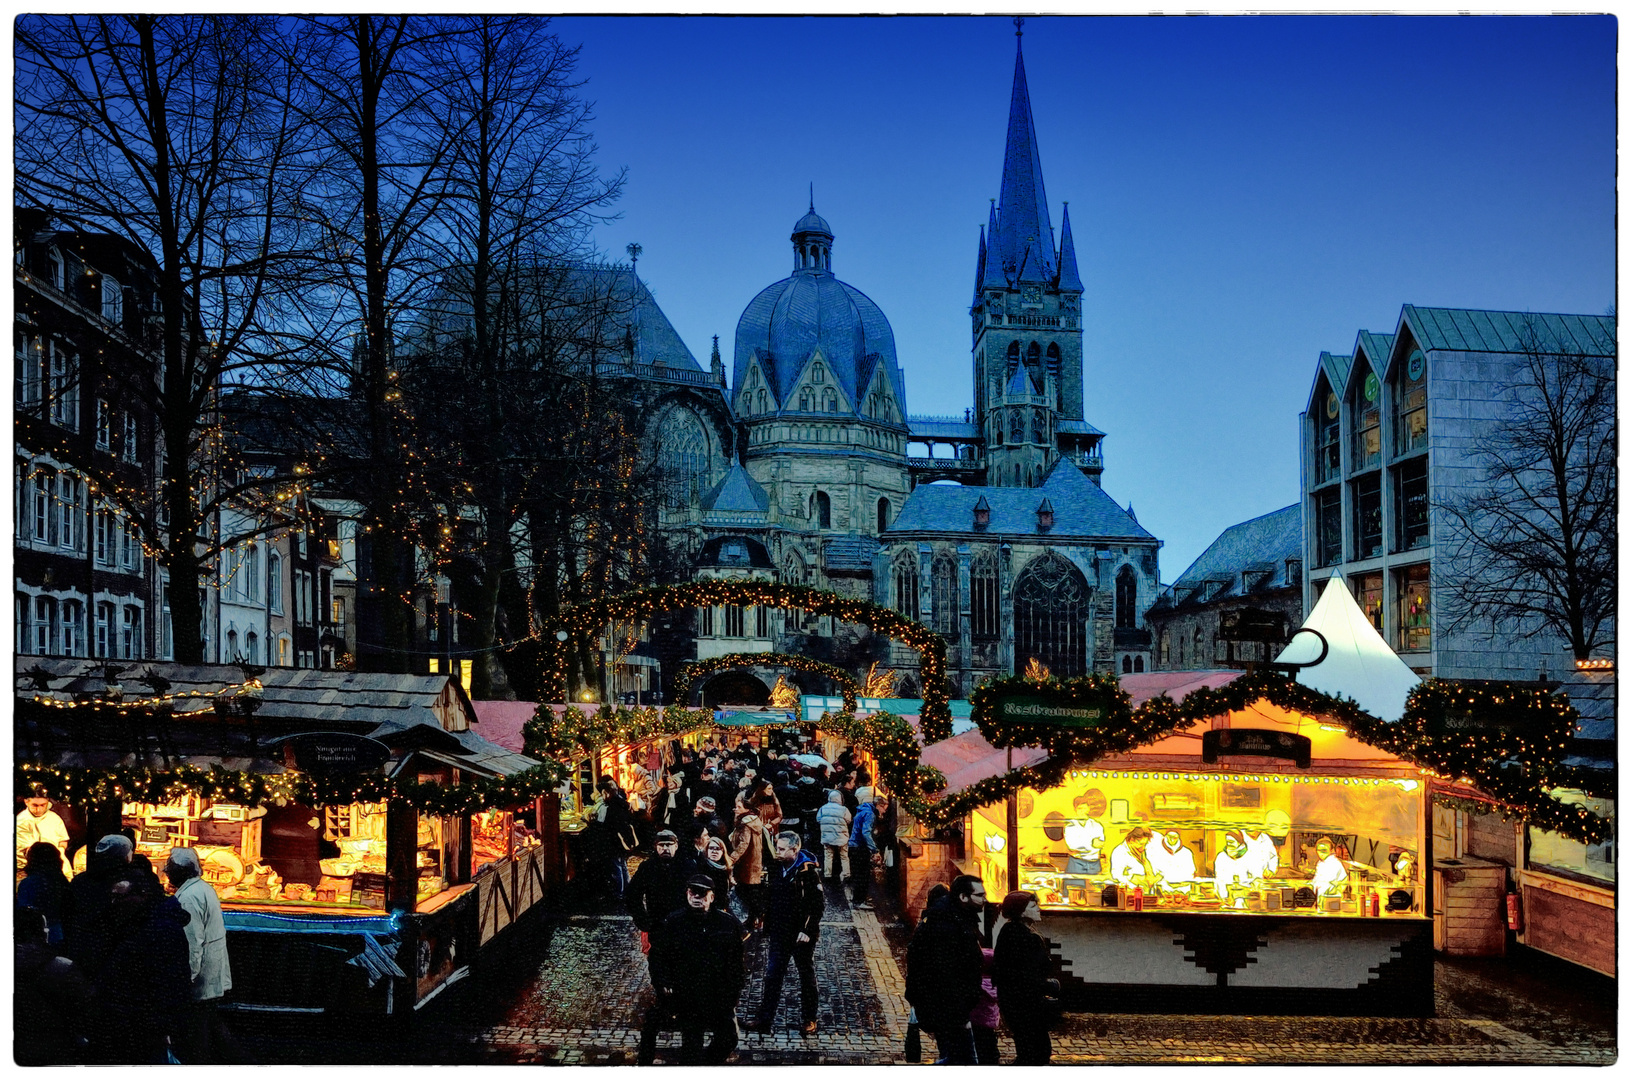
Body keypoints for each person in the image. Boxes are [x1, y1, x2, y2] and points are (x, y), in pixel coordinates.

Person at [643, 875, 745, 1064]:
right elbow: (658, 958)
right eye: (692, 893)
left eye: (702, 894)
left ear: (712, 897)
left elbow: (736, 963)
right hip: (687, 995)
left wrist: (733, 992)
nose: (697, 897)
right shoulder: (673, 922)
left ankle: (707, 1065)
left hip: (718, 994)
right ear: (687, 894)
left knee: (728, 1038)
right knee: (691, 1046)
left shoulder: (727, 923)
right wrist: (663, 984)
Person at [93, 874, 192, 1063]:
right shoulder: (133, 924)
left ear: (141, 896)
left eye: (119, 897)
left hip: (144, 1021)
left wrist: (164, 1024)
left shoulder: (157, 929)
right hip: (131, 1018)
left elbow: (171, 980)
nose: (114, 903)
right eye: (112, 897)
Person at [748, 831, 825, 1035]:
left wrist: (807, 930)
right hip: (780, 932)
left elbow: (817, 905)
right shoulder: (776, 866)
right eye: (777, 847)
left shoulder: (808, 872)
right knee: (773, 976)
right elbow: (770, 895)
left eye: (782, 849)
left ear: (795, 849)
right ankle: (764, 1019)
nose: (778, 852)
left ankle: (810, 1018)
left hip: (800, 935)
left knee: (806, 977)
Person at [904, 874, 986, 1065]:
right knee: (961, 1060)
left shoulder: (958, 918)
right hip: (950, 1011)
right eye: (980, 895)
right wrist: (961, 1014)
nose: (985, 899)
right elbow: (945, 974)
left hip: (952, 1009)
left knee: (958, 1058)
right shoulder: (945, 925)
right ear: (963, 897)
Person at [166, 847, 233, 1063]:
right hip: (209, 974)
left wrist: (188, 977)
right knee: (209, 1027)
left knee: (196, 1035)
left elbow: (192, 942)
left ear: (180, 871)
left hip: (200, 978)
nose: (166, 872)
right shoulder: (202, 889)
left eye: (170, 869)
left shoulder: (189, 898)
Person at [15, 904, 92, 1064]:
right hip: (58, 1045)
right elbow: (85, 1008)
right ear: (41, 932)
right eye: (45, 927)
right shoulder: (62, 967)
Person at [993, 890, 1057, 1065]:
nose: (1039, 909)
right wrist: (1047, 986)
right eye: (1033, 905)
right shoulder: (1022, 936)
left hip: (1017, 1001)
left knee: (1030, 1048)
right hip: (1024, 1003)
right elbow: (1025, 974)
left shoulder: (1011, 931)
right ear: (1020, 910)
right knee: (1036, 1051)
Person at [64, 833, 134, 974]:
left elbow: (66, 913)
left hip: (82, 946)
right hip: (116, 950)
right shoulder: (129, 882)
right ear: (125, 856)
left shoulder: (81, 881)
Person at [628, 830, 692, 955]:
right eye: (661, 845)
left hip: (682, 925)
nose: (665, 848)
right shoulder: (647, 868)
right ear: (656, 846)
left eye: (669, 845)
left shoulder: (688, 866)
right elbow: (632, 895)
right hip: (657, 924)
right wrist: (643, 921)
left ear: (676, 846)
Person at [727, 804, 772, 931]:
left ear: (747, 809)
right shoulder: (752, 821)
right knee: (751, 892)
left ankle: (759, 916)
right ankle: (754, 919)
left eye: (739, 807)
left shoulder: (746, 824)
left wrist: (731, 858)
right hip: (752, 862)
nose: (735, 809)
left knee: (746, 892)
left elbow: (743, 843)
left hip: (747, 863)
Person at [17, 840, 72, 945]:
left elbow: (24, 913)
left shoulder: (28, 884)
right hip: (62, 935)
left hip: (36, 938)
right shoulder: (62, 883)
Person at [16, 793, 72, 875]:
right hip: (31, 864)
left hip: (56, 860)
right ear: (26, 802)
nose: (38, 809)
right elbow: (24, 849)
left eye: (43, 805)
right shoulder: (20, 821)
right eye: (35, 805)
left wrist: (60, 851)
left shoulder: (54, 818)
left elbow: (63, 840)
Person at [848, 795, 888, 909]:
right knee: (863, 875)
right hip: (859, 847)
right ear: (879, 805)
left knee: (857, 874)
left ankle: (857, 898)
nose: (884, 811)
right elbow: (866, 832)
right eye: (884, 808)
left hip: (854, 846)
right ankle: (859, 901)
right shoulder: (870, 814)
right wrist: (874, 849)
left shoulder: (863, 810)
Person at [815, 789, 852, 883]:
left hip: (827, 837)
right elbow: (849, 820)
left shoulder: (823, 808)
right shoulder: (844, 809)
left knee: (828, 855)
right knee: (844, 856)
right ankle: (846, 873)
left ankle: (827, 874)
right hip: (841, 837)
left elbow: (818, 819)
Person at [1108, 827, 1156, 891]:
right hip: (1132, 891)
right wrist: (1134, 885)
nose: (1143, 848)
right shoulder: (1119, 852)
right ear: (1131, 840)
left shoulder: (1143, 851)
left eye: (1145, 844)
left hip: (1148, 890)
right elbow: (1117, 875)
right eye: (1141, 844)